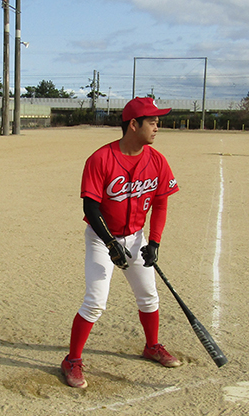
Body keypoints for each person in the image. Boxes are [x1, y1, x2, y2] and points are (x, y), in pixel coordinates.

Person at [61, 97, 182, 389]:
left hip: (136, 237)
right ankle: (72, 360)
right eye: (151, 121)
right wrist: (111, 244)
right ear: (133, 124)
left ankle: (151, 345)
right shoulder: (100, 158)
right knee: (95, 302)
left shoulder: (157, 160)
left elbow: (161, 204)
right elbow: (90, 208)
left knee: (149, 296)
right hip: (102, 238)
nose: (157, 127)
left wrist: (154, 242)